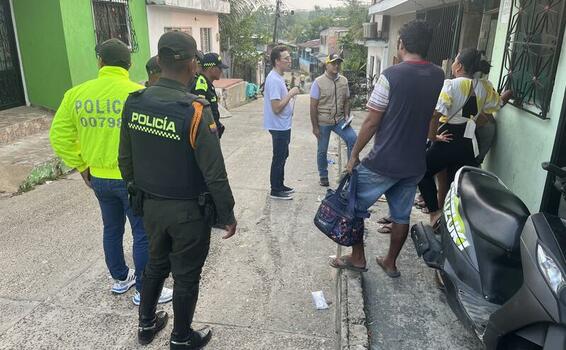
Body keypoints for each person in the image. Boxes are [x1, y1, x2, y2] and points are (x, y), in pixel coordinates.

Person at [118, 31, 237, 348]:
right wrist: (227, 213)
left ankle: (146, 325)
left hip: (151, 208)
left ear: (159, 61)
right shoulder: (195, 110)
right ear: (191, 64)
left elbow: (125, 160)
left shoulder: (135, 103)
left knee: (155, 265)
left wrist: (138, 197)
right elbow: (214, 172)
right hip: (188, 213)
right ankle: (181, 338)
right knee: (185, 276)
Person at [49, 38, 173, 305]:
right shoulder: (138, 94)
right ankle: (143, 290)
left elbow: (59, 136)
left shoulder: (76, 94)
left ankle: (120, 279)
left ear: (100, 62)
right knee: (142, 233)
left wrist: (81, 165)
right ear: (129, 65)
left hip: (99, 178)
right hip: (133, 179)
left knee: (111, 229)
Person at [328, 20, 445, 277]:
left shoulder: (391, 75)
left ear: (401, 44)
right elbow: (428, 114)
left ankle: (358, 258)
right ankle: (390, 262)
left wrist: (355, 154)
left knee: (353, 204)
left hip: (385, 160)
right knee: (401, 215)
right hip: (414, 162)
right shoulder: (438, 75)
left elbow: (371, 121)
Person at [418, 48, 504, 225]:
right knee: (456, 184)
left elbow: (435, 114)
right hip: (469, 142)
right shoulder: (486, 87)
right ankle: (453, 223)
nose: (453, 64)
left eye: (455, 61)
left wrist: (433, 137)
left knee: (422, 171)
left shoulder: (451, 84)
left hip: (448, 136)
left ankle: (435, 214)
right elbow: (489, 114)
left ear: (460, 66)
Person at [310, 53, 357, 187]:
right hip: (324, 121)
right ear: (327, 64)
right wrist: (315, 127)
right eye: (334, 63)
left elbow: (347, 100)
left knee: (353, 139)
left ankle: (350, 172)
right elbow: (313, 106)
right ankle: (323, 175)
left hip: (340, 120)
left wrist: (347, 116)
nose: (336, 66)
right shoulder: (318, 82)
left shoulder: (344, 81)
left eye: (338, 63)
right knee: (322, 149)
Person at [263, 45, 301, 200]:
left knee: (283, 155)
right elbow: (276, 107)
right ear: (277, 61)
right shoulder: (273, 80)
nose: (289, 61)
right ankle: (276, 190)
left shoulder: (278, 78)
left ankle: (280, 184)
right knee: (279, 157)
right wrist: (291, 93)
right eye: (286, 58)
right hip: (278, 126)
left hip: (283, 125)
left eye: (289, 57)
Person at [191, 52, 227, 138]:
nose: (221, 71)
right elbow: (199, 114)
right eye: (219, 68)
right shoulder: (201, 85)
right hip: (205, 135)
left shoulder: (208, 85)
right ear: (211, 68)